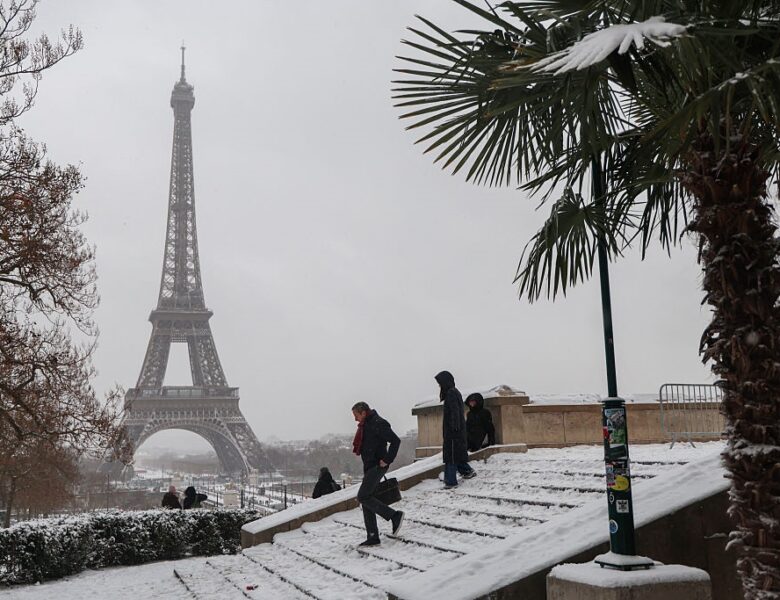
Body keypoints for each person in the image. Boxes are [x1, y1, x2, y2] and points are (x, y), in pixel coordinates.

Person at [351, 401, 404, 546]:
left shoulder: (378, 423)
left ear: (363, 412)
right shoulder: (366, 425)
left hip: (377, 466)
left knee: (363, 496)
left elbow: (395, 441)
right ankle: (373, 536)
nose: (355, 419)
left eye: (356, 415)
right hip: (369, 466)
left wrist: (387, 459)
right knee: (367, 498)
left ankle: (394, 515)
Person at [435, 371, 476, 488]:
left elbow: (454, 412)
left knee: (451, 456)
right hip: (456, 432)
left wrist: (453, 429)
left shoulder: (451, 393)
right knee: (456, 454)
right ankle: (467, 471)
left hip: (453, 433)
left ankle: (450, 481)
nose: (439, 386)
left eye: (440, 383)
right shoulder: (453, 392)